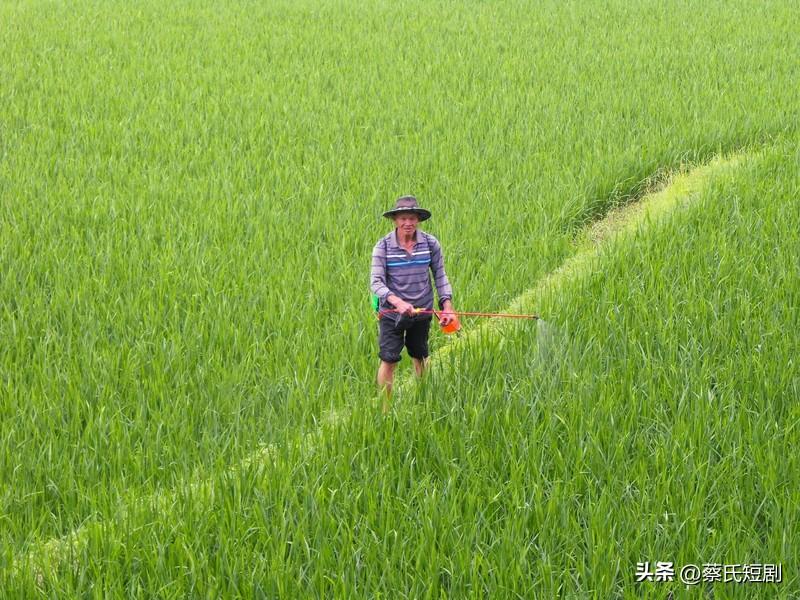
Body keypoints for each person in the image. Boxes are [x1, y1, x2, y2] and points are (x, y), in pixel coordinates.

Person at [370, 195, 456, 412]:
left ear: (418, 219)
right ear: (395, 220)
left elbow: (440, 276)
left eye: (412, 218)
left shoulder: (430, 243)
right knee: (389, 359)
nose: (407, 223)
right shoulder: (383, 247)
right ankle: (385, 410)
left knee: (420, 355)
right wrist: (397, 302)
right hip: (392, 313)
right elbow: (376, 282)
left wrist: (446, 306)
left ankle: (424, 402)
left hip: (422, 310)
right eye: (403, 218)